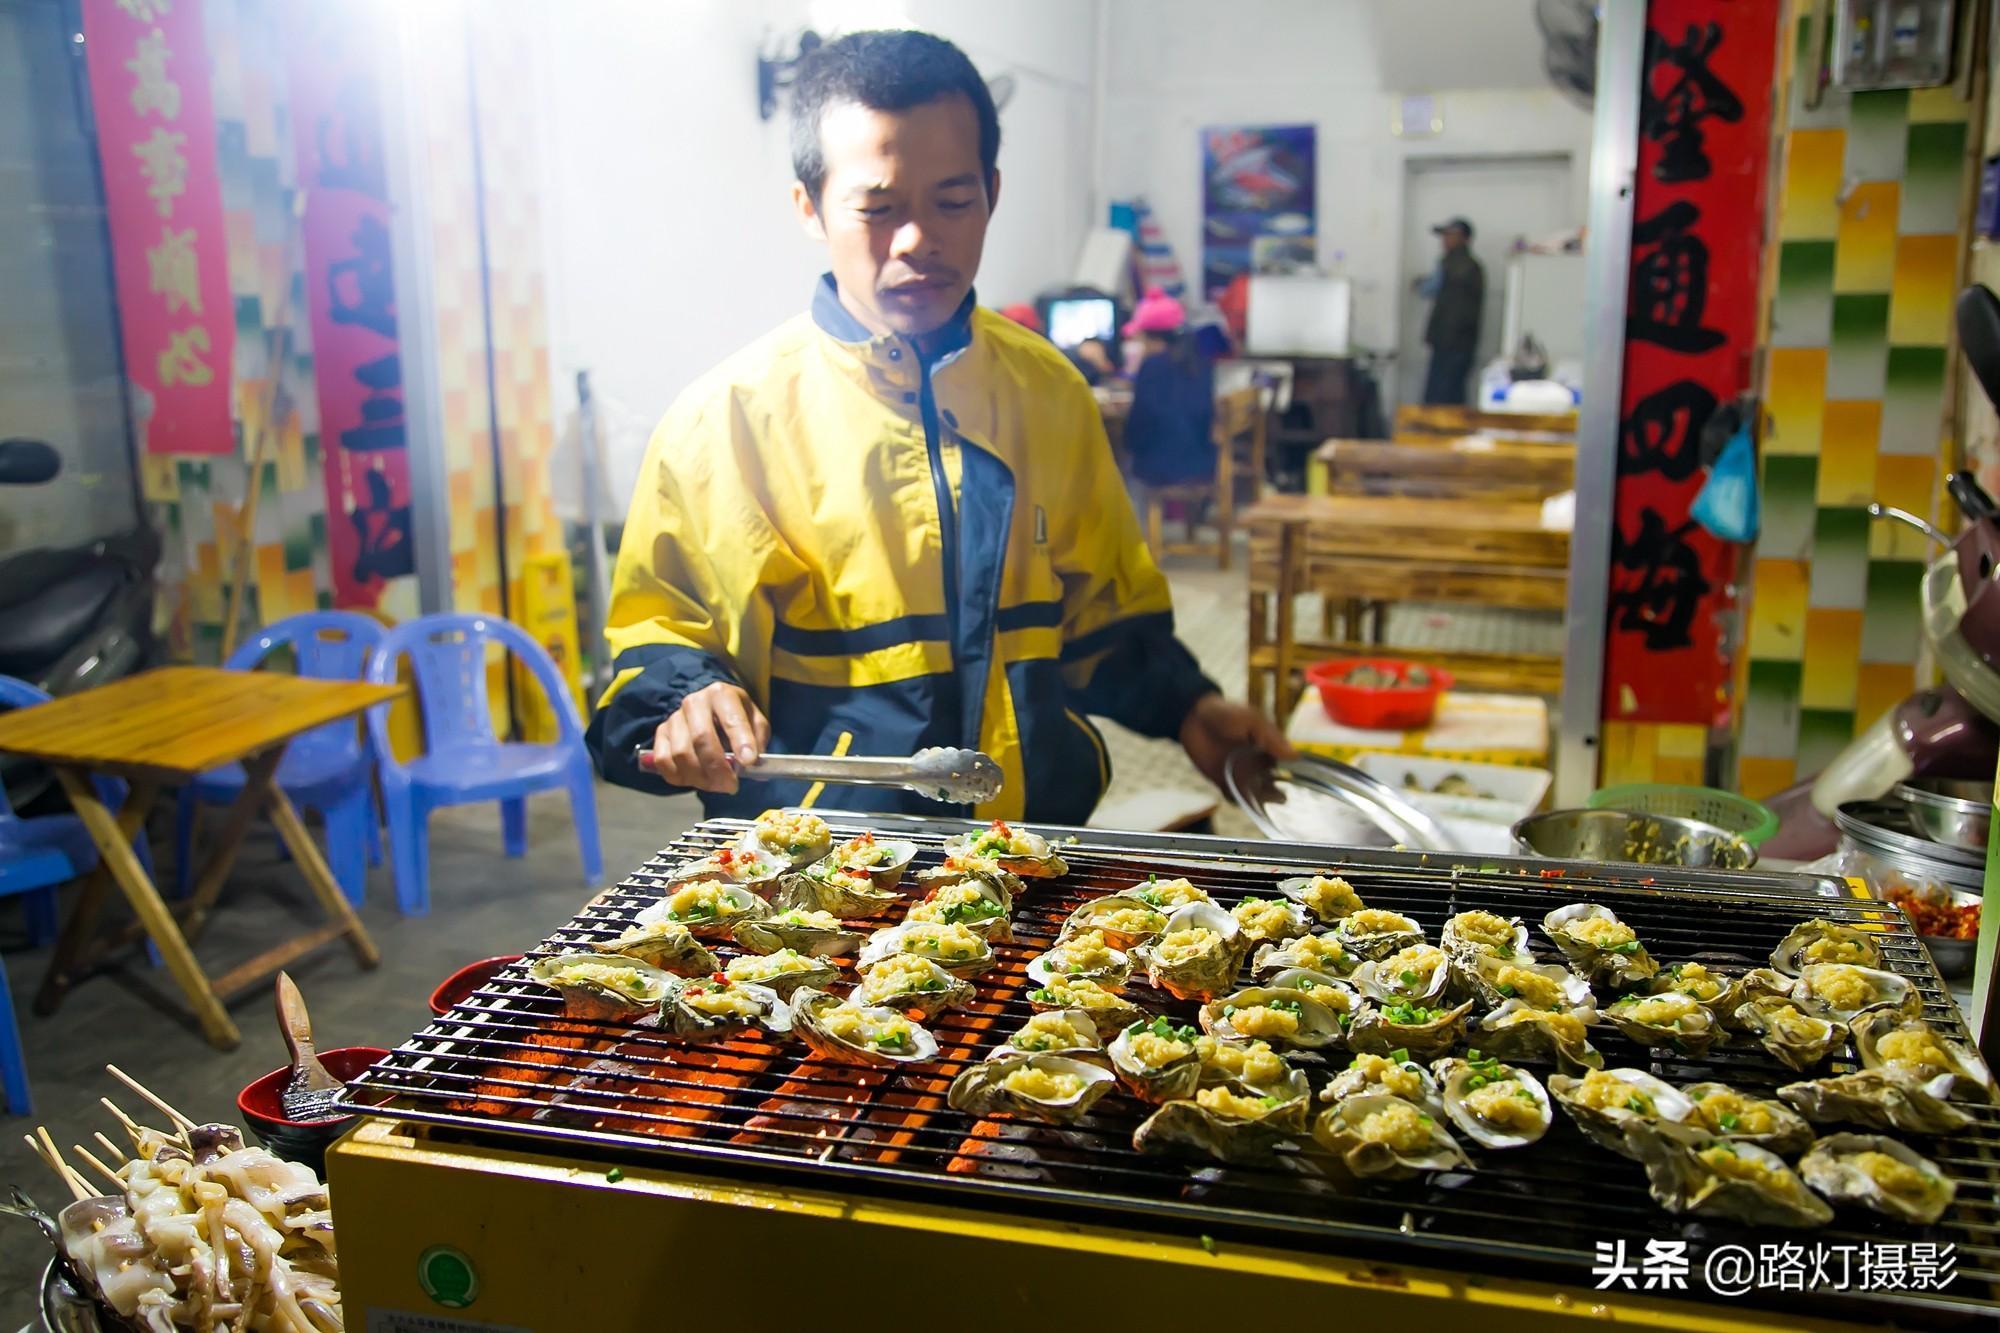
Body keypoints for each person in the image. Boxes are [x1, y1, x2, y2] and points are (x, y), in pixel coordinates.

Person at [587, 29, 1288, 822]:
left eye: (953, 201)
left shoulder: (1050, 394)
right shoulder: (727, 422)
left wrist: (1192, 708)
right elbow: (655, 647)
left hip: (1025, 846)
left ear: (992, 191)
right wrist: (688, 698)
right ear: (809, 208)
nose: (918, 239)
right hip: (823, 876)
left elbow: (1102, 621)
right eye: (877, 209)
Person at [1120, 289, 1216, 487]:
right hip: (1201, 461)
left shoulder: (1152, 367)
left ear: (1151, 337)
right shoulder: (1200, 363)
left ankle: (1137, 518)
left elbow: (1138, 425)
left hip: (1161, 466)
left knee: (1121, 466)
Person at [1416, 217, 1484, 406]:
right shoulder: (1473, 267)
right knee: (1453, 394)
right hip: (1461, 342)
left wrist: (1418, 284)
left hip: (1448, 341)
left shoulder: (1451, 265)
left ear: (1464, 239)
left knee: (1439, 395)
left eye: (1450, 236)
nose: (1444, 240)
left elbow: (1429, 289)